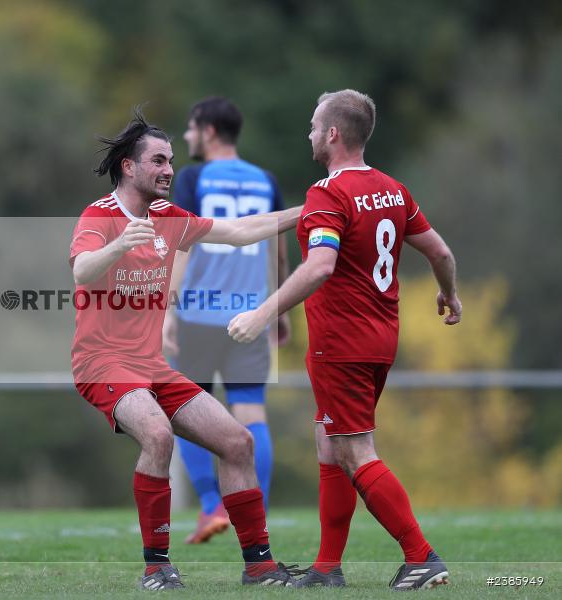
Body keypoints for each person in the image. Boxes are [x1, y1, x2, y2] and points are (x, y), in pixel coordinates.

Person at [227, 89, 461, 590]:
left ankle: (421, 557)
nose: (309, 133)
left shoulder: (329, 195)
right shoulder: (393, 190)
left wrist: (264, 312)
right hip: (380, 340)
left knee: (356, 450)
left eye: (314, 125)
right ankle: (327, 568)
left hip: (341, 343)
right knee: (329, 442)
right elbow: (439, 252)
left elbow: (320, 265)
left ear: (332, 134)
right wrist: (450, 297)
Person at [70, 109, 302, 590]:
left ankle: (259, 566)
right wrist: (116, 248)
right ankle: (156, 568)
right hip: (101, 364)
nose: (169, 169)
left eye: (171, 160)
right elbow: (82, 270)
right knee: (157, 434)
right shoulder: (101, 216)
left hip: (151, 366)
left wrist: (312, 208)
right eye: (158, 160)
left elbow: (239, 232)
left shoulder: (169, 218)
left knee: (238, 442)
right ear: (129, 167)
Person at [161, 97, 290, 544]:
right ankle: (258, 515)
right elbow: (277, 242)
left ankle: (213, 505)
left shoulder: (194, 178)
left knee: (183, 411)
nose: (187, 137)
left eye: (191, 129)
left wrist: (168, 307)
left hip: (197, 310)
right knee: (251, 410)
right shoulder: (265, 180)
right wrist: (280, 306)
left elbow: (182, 242)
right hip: (251, 313)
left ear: (210, 132)